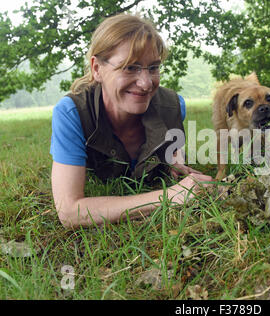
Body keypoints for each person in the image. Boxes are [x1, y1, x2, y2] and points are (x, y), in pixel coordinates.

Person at [50, 13, 213, 229]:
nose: (146, 84)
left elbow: (174, 150)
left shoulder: (173, 106)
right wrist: (171, 196)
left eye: (153, 68)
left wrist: (175, 159)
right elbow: (70, 212)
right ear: (97, 68)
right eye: (130, 67)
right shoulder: (72, 113)